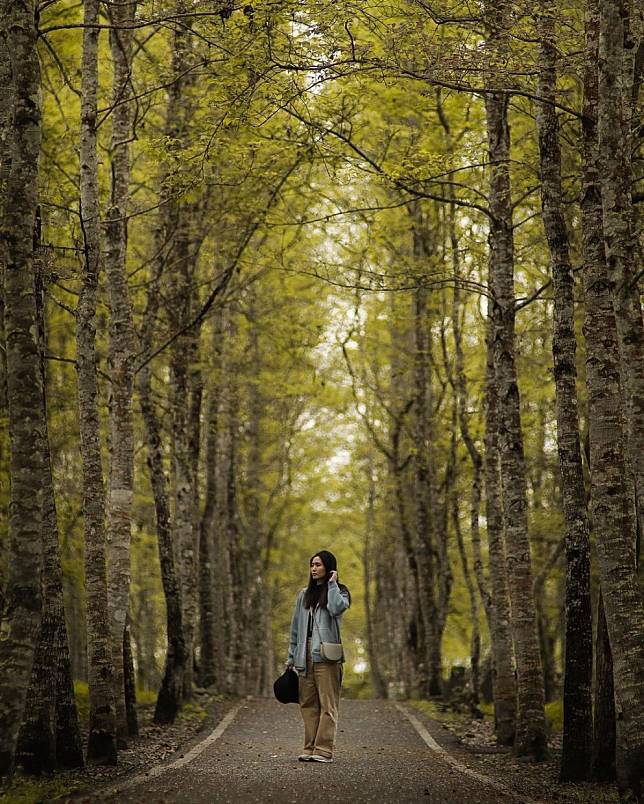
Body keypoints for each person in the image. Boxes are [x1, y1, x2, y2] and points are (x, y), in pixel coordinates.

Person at [286, 550, 351, 763]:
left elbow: (336, 609)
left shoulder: (340, 592)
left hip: (326, 655)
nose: (314, 568)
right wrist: (291, 656)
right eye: (312, 565)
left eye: (318, 565)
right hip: (304, 654)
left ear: (329, 568)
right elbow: (295, 628)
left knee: (327, 704)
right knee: (307, 703)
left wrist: (332, 584)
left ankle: (323, 750)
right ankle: (309, 747)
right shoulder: (303, 595)